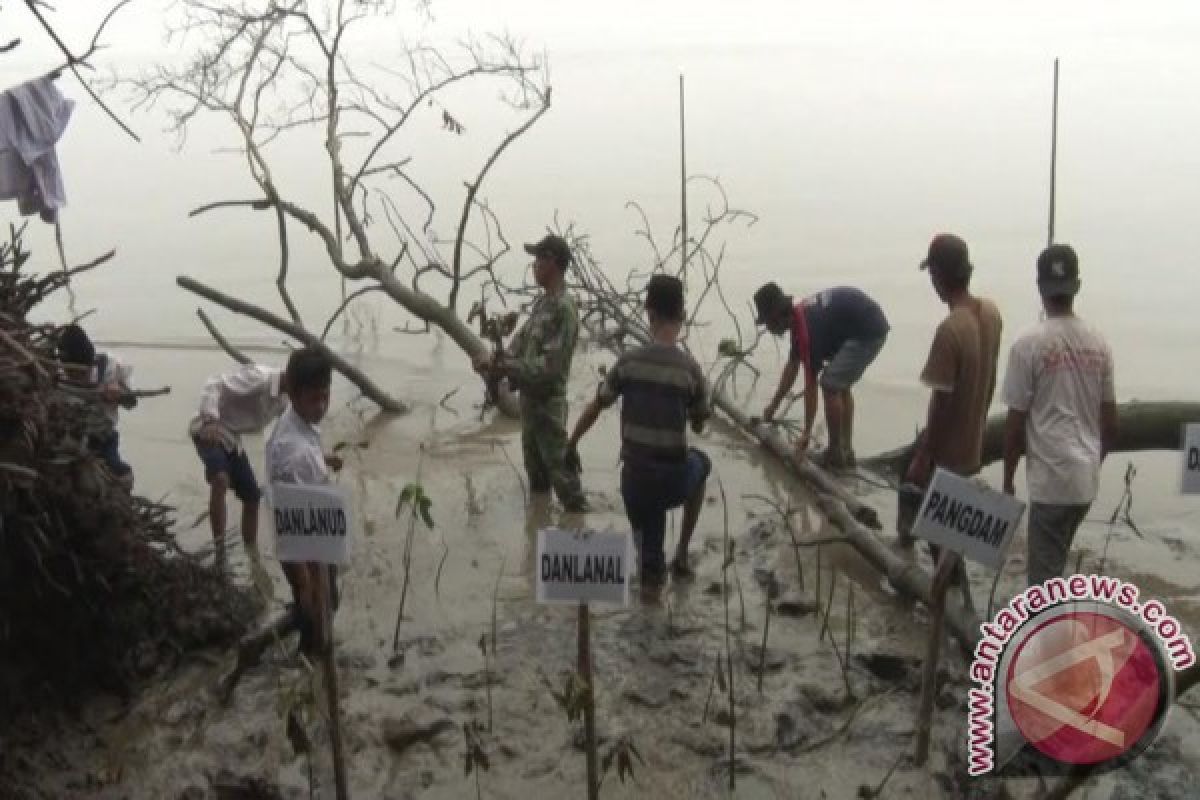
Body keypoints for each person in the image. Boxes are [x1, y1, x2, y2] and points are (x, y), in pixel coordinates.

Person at [568, 275, 711, 594]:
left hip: (633, 481)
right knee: (702, 464)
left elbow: (596, 406)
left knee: (648, 546)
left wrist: (572, 442)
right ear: (682, 316)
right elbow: (700, 424)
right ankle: (683, 554)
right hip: (672, 480)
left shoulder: (628, 362)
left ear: (649, 313)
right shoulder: (690, 369)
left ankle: (649, 574)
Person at [1001, 244, 1116, 587]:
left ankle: (1047, 635)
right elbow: (1111, 424)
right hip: (1084, 483)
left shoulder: (1026, 345)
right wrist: (1094, 461)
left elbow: (1014, 424)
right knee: (1055, 563)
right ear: (1076, 286)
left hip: (1051, 482)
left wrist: (1008, 479)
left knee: (1043, 585)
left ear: (1040, 289)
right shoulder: (1100, 343)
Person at [903, 233, 1003, 595]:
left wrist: (925, 454)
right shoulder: (991, 313)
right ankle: (954, 594)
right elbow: (987, 377)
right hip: (974, 440)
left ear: (939, 277)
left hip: (949, 452)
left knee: (937, 533)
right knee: (953, 534)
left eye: (932, 276)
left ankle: (951, 604)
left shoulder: (949, 331)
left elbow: (940, 403)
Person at [473, 233, 588, 512]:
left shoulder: (564, 309)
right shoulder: (543, 305)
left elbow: (550, 369)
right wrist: (493, 360)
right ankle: (537, 539)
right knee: (537, 487)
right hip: (530, 410)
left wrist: (504, 366)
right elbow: (519, 344)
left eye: (538, 259)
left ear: (552, 263)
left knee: (569, 492)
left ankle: (582, 538)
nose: (534, 265)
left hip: (549, 410)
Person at [753, 283, 889, 468]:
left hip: (868, 331)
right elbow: (792, 367)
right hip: (864, 323)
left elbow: (811, 385)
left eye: (767, 322)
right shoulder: (799, 318)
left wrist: (806, 433)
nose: (768, 328)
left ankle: (835, 452)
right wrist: (773, 405)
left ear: (776, 315)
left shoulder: (807, 329)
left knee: (830, 385)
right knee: (840, 385)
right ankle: (846, 451)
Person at [265, 347, 344, 652]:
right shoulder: (291, 452)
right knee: (316, 608)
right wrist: (304, 577)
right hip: (303, 538)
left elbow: (305, 463)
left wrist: (323, 460)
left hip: (314, 521)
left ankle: (308, 645)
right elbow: (289, 519)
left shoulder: (297, 422)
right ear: (294, 394)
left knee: (326, 601)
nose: (322, 406)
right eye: (314, 399)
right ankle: (310, 662)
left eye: (326, 396)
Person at [189, 361, 288, 569]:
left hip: (233, 440)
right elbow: (214, 384)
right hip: (211, 430)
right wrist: (210, 421)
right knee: (220, 479)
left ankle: (252, 553)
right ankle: (220, 552)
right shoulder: (259, 378)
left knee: (252, 496)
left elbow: (280, 435)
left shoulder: (284, 401)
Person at [56, 324, 137, 488]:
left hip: (103, 436)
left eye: (82, 372)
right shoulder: (55, 374)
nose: (78, 377)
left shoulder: (112, 368)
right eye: (72, 372)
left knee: (115, 468)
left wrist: (119, 394)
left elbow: (132, 402)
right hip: (68, 436)